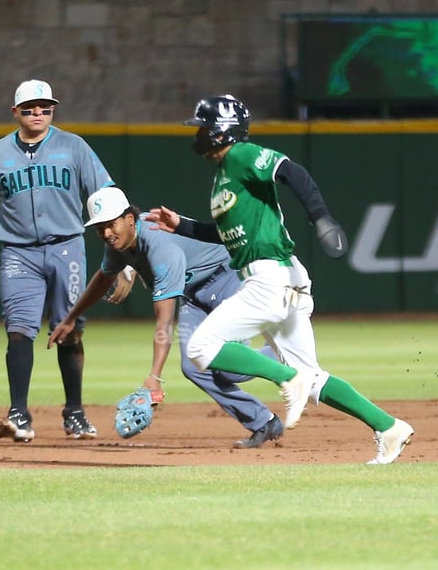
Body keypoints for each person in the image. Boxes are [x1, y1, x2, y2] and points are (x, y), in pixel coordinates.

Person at [144, 94, 414, 464]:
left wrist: (321, 217)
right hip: (281, 279)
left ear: (222, 131)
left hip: (268, 277)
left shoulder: (240, 155)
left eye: (205, 128)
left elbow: (291, 171)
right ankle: (389, 427)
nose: (199, 135)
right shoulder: (225, 175)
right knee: (312, 378)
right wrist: (183, 226)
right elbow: (227, 234)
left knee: (201, 348)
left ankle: (285, 378)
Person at [0, 79, 117, 443]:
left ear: (53, 110)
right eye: (30, 107)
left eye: (45, 107)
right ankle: (19, 412)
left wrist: (124, 251)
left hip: (67, 247)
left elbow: (106, 193)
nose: (38, 113)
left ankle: (75, 413)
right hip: (19, 253)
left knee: (70, 329)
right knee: (19, 331)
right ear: (15, 111)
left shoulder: (73, 146)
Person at [48, 186, 286, 448]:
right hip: (195, 294)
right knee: (194, 366)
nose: (106, 233)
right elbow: (102, 279)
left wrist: (154, 378)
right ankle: (264, 422)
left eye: (111, 224)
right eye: (99, 227)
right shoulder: (118, 244)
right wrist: (71, 317)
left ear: (129, 219)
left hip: (229, 280)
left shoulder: (160, 247)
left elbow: (164, 322)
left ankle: (284, 356)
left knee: (229, 371)